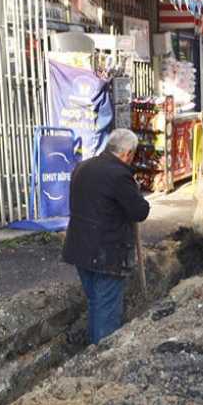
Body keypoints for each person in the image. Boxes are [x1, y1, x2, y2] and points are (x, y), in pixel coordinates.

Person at [62, 128, 150, 345]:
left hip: (79, 249)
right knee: (107, 312)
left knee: (95, 304)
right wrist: (137, 194)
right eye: (134, 155)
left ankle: (91, 353)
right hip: (106, 254)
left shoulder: (83, 167)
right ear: (128, 153)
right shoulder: (120, 175)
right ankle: (102, 358)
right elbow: (140, 211)